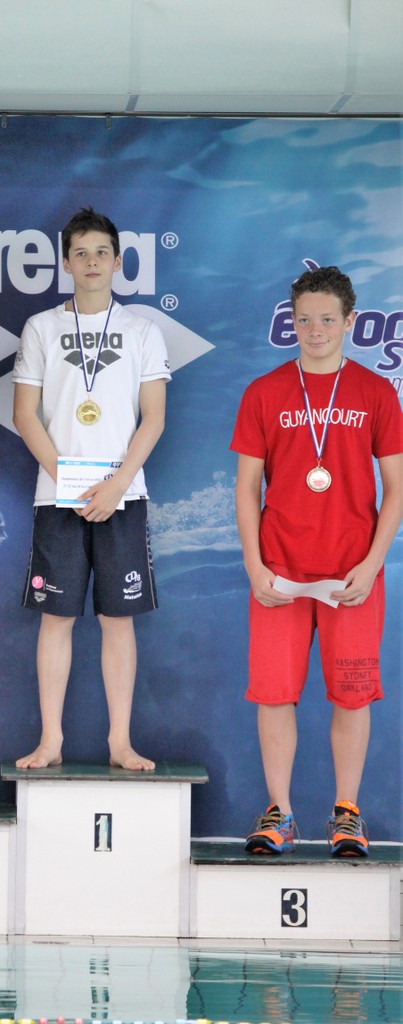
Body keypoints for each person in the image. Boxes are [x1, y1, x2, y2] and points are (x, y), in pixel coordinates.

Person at [231, 265, 402, 856]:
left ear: (350, 321)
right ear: (292, 322)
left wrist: (372, 564)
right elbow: (246, 488)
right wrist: (254, 565)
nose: (316, 330)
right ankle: (278, 814)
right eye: (304, 320)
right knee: (274, 693)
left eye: (328, 319)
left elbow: (396, 489)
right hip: (279, 572)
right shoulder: (264, 392)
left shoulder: (376, 392)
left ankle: (346, 814)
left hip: (352, 574)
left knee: (352, 694)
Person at [12, 207, 171, 771]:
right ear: (65, 263)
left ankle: (119, 742)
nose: (92, 262)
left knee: (116, 620)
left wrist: (116, 484)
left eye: (102, 252)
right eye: (80, 253)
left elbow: (154, 417)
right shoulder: (41, 328)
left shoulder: (143, 330)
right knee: (55, 618)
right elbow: (24, 415)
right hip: (58, 494)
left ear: (119, 261)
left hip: (122, 496)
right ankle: (50, 740)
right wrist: (72, 481)